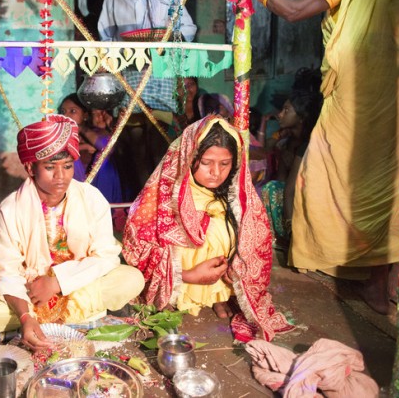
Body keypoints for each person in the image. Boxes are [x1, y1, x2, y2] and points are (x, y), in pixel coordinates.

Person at [244, 0, 399, 314]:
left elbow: (294, 10)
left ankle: (353, 273)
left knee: (318, 175)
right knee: (389, 187)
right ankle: (384, 283)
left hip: (354, 102)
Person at [0, 115, 145, 351]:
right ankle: (71, 321)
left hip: (79, 283)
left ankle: (43, 325)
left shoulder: (91, 198)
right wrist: (24, 316)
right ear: (31, 167)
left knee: (132, 279)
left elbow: (106, 257)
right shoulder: (9, 210)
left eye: (68, 166)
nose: (61, 176)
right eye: (50, 168)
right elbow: (7, 271)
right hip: (31, 290)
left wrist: (58, 282)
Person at [122, 116, 293, 342]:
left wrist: (239, 270)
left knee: (228, 226)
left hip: (219, 282)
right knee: (207, 229)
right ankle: (178, 297)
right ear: (189, 157)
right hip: (181, 283)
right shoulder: (162, 199)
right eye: (206, 162)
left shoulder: (236, 200)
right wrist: (188, 276)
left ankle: (216, 295)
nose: (216, 172)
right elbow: (139, 255)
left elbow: (256, 248)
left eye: (225, 163)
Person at [98, 0, 198, 201]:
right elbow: (105, 40)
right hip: (129, 75)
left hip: (162, 74)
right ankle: (145, 208)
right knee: (134, 149)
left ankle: (160, 206)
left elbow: (187, 28)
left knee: (160, 147)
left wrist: (168, 35)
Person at [261, 70, 323, 249]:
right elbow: (283, 182)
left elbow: (288, 190)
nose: (280, 114)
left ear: (302, 117)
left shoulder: (310, 144)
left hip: (312, 204)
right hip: (295, 202)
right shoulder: (287, 142)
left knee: (271, 189)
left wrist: (292, 232)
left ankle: (293, 239)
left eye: (286, 110)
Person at [80, 108, 123, 204]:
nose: (101, 116)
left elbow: (106, 146)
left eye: (105, 111)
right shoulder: (89, 132)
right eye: (95, 113)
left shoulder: (113, 133)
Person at [58, 93, 91, 182]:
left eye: (72, 111)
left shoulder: (93, 135)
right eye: (63, 112)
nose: (66, 116)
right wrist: (85, 147)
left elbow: (104, 147)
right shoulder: (61, 136)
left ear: (85, 116)